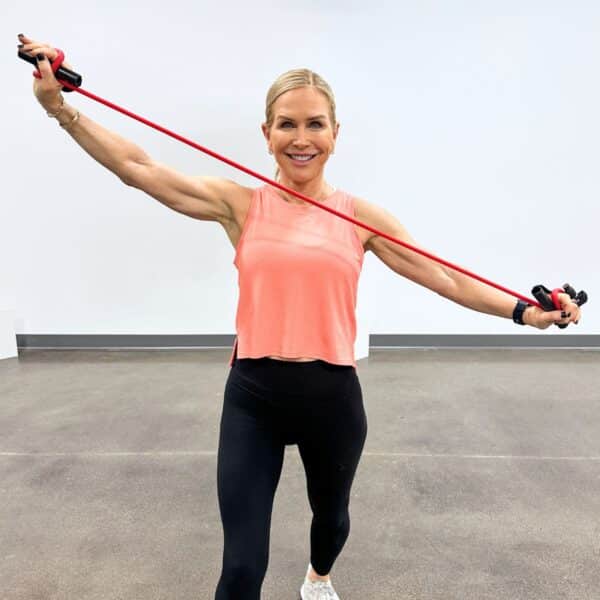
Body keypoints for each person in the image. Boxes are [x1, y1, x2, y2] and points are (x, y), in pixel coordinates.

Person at [19, 33, 582, 600]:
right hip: (253, 398)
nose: (301, 138)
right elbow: (139, 168)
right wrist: (61, 108)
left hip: (332, 398)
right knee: (241, 567)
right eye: (287, 124)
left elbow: (444, 276)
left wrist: (524, 312)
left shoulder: (361, 217)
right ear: (266, 135)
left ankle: (318, 579)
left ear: (336, 134)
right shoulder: (240, 204)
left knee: (331, 522)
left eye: (315, 124)